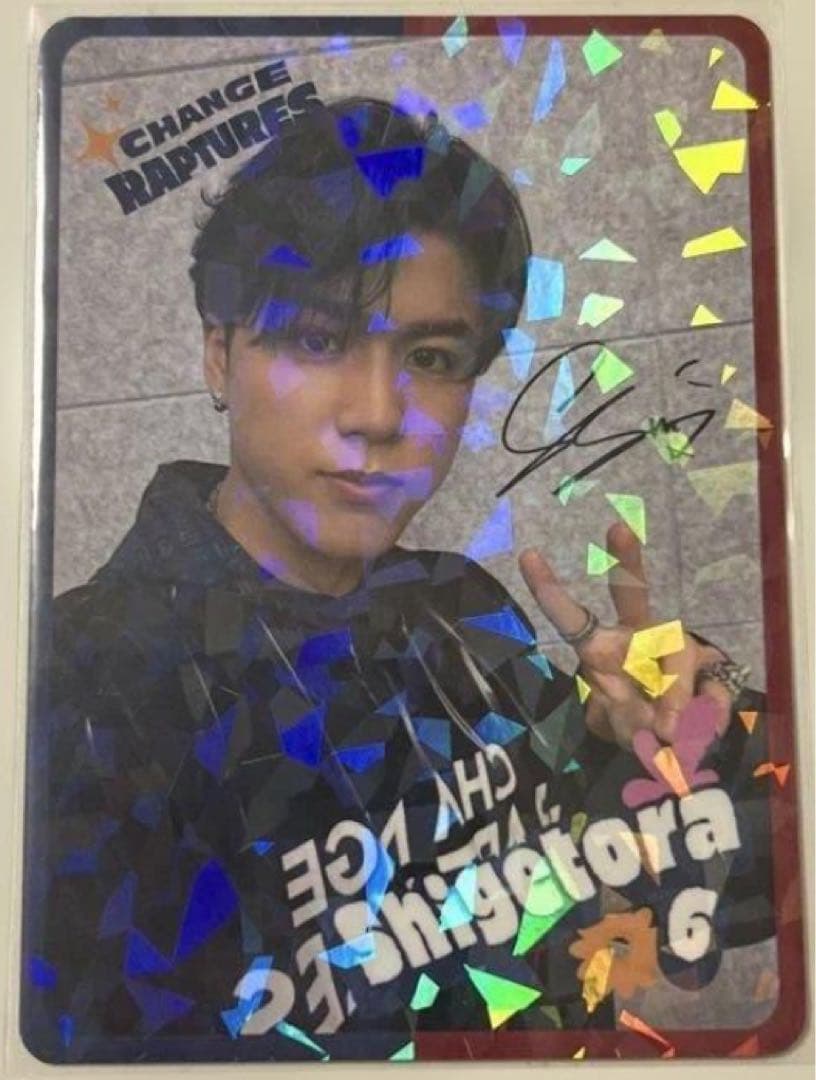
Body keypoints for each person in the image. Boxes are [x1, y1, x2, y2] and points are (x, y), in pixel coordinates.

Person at [22, 97, 773, 1063]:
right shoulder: (77, 691)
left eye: (430, 356)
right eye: (318, 339)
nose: (379, 414)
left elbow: (686, 916)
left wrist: (683, 757)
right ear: (219, 355)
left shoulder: (462, 612)